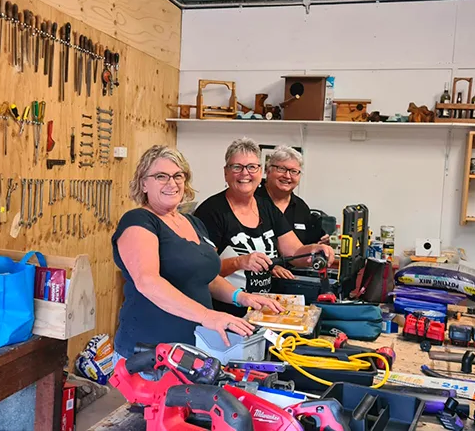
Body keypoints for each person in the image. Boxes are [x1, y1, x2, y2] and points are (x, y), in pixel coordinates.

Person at [111, 145, 284, 364]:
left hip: (193, 349)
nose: (172, 183)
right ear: (143, 183)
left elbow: (207, 278)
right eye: (161, 176)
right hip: (149, 354)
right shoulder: (138, 221)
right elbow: (148, 281)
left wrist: (241, 297)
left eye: (177, 176)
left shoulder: (193, 223)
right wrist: (207, 316)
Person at [194, 138, 335, 317]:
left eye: (252, 167)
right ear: (226, 173)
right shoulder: (211, 211)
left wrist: (315, 250)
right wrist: (239, 262)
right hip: (226, 313)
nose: (245, 173)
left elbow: (294, 252)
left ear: (260, 171)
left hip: (261, 311)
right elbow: (203, 271)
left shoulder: (266, 207)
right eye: (237, 167)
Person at [256, 145, 330, 280]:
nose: (287, 176)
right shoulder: (252, 200)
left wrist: (323, 245)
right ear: (268, 170)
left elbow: (304, 248)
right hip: (254, 277)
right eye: (281, 169)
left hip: (292, 279)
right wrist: (270, 266)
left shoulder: (301, 208)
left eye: (294, 171)